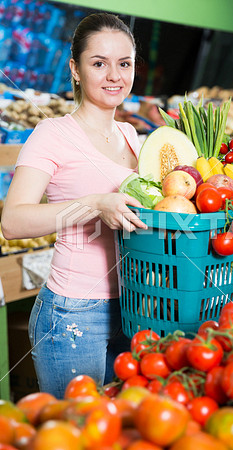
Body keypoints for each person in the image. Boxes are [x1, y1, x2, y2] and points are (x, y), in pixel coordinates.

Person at [1, 12, 148, 399]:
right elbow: (13, 221)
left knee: (120, 429)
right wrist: (93, 204)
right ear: (76, 69)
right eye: (99, 63)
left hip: (133, 306)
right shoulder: (52, 133)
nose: (114, 75)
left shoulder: (132, 134)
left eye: (124, 63)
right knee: (75, 432)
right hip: (73, 313)